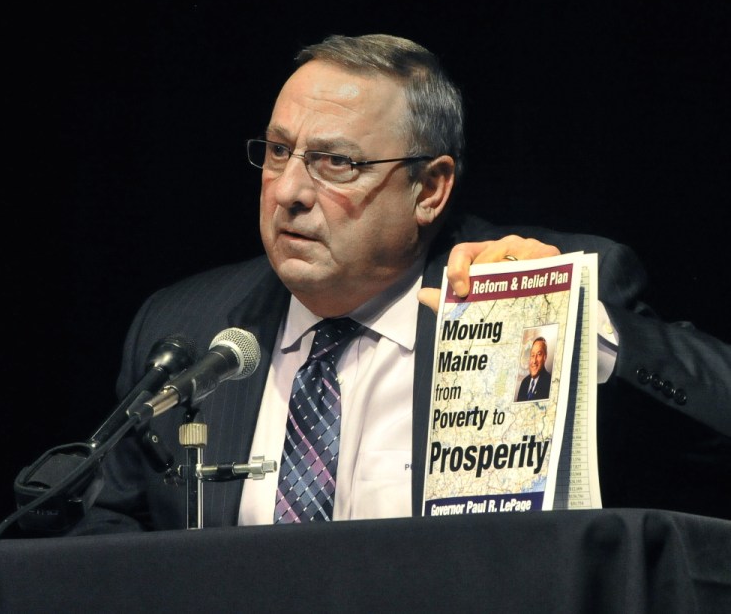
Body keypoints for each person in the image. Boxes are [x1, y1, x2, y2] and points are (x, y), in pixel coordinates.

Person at [69, 33, 731, 533]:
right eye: (278, 151)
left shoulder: (533, 290)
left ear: (431, 188)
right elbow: (107, 540)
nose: (291, 191)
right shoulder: (185, 326)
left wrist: (581, 327)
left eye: (336, 162)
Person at [516, 337, 552, 401]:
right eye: (532, 355)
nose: (534, 361)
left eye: (539, 354)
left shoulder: (550, 382)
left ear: (545, 357)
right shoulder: (524, 382)